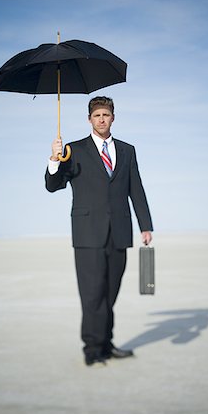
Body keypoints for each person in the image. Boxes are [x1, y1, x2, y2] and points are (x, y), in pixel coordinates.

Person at [45, 96, 153, 366]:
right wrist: (55, 160)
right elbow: (54, 185)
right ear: (89, 120)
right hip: (88, 234)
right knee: (92, 294)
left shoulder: (127, 150)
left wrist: (145, 225)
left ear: (113, 117)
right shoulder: (74, 149)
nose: (102, 119)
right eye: (97, 115)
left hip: (119, 231)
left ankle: (106, 343)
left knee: (110, 293)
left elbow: (135, 189)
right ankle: (92, 348)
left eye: (106, 114)